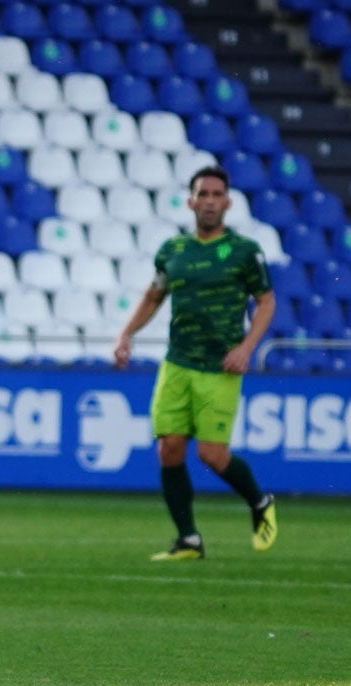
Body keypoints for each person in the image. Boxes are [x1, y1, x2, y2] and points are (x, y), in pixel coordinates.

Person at [113, 165, 278, 561]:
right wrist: (126, 334)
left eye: (216, 194)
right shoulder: (174, 250)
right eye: (202, 194)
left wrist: (247, 347)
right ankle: (188, 539)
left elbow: (266, 301)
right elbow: (154, 296)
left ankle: (259, 502)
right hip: (177, 363)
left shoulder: (243, 252)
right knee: (168, 449)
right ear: (190, 201)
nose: (209, 201)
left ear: (228, 202)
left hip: (219, 367)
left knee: (211, 455)